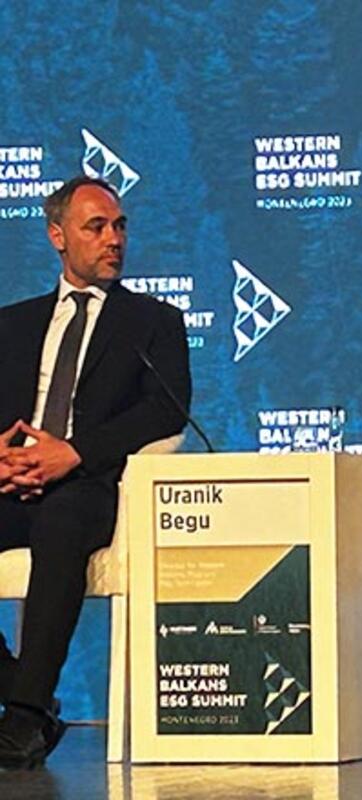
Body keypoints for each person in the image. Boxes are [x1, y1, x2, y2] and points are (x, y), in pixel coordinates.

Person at [0, 176, 191, 768]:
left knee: (60, 524)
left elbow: (165, 411)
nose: (114, 239)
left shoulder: (152, 321)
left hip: (91, 487)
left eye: (119, 226)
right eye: (96, 227)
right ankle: (19, 688)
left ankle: (24, 716)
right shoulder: (12, 323)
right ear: (57, 236)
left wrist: (74, 452)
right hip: (12, 482)